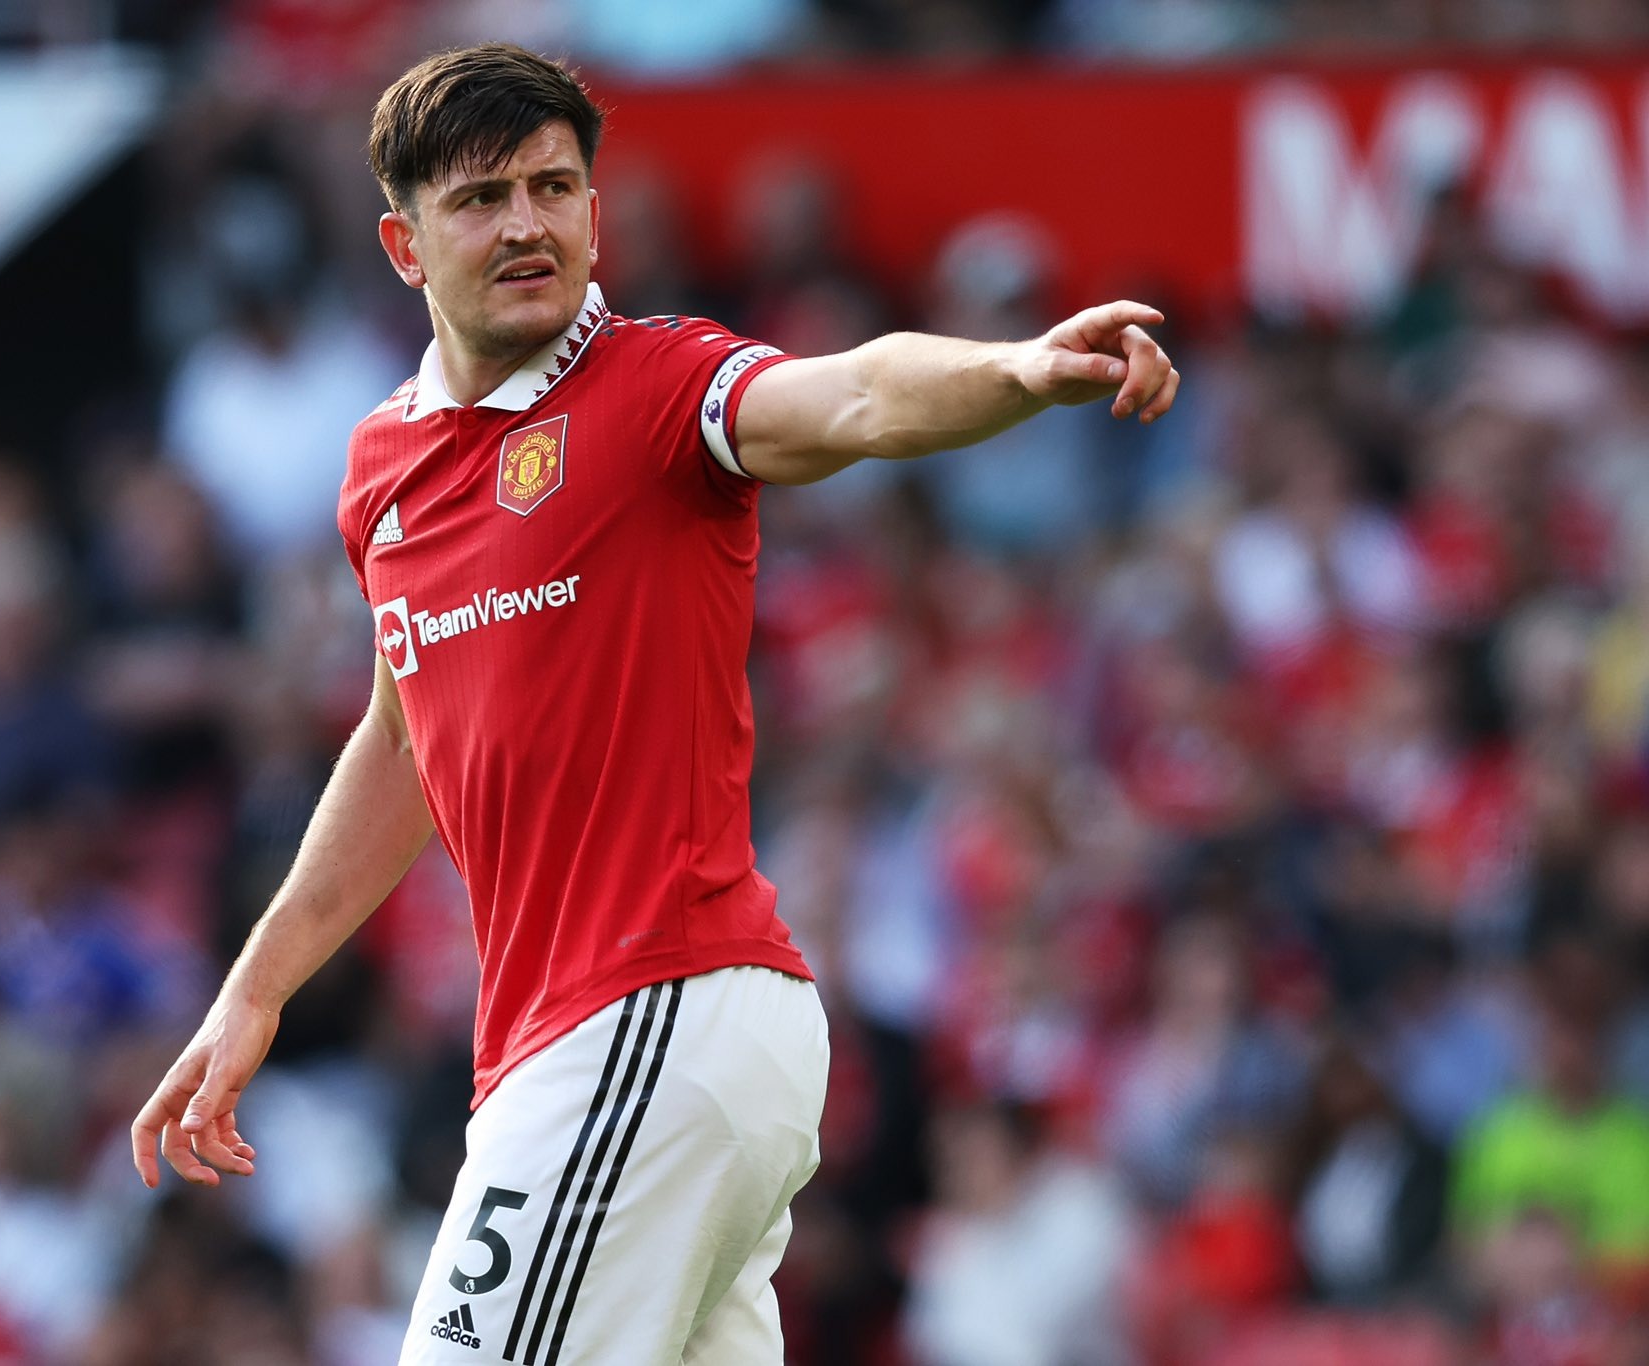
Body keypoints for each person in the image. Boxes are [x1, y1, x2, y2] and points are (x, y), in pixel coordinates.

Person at [131, 41, 1180, 1364]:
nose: (528, 224)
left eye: (552, 188)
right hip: (611, 1047)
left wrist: (1015, 370)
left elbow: (855, 393)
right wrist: (258, 986)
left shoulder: (653, 387)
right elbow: (406, 733)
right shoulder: (382, 470)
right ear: (404, 246)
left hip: (652, 1010)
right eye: (482, 198)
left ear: (593, 208)